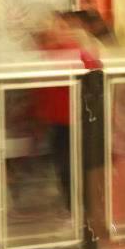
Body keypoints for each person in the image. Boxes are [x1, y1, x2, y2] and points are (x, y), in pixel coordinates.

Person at [33, 12, 101, 211]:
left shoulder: (74, 50)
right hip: (61, 120)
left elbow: (94, 72)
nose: (56, 30)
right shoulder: (52, 50)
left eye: (61, 26)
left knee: (71, 164)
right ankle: (76, 205)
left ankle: (80, 206)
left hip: (74, 119)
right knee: (65, 164)